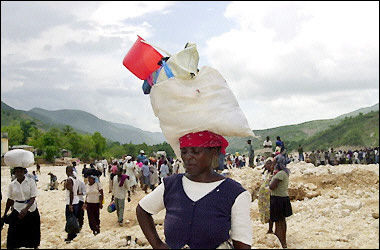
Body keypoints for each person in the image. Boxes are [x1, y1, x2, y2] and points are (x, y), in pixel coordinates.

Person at [136, 130, 252, 249]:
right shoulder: (171, 185)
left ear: (215, 152)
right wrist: (158, 245)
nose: (188, 157)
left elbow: (242, 244)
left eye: (195, 152)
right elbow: (142, 210)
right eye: (184, 152)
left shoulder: (235, 193)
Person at [2, 166, 41, 249]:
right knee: (13, 232)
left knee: (33, 230)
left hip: (31, 208)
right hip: (17, 208)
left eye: (21, 171)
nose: (19, 173)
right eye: (17, 171)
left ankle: (34, 246)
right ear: (14, 173)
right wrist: (5, 213)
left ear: (24, 172)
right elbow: (10, 200)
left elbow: (33, 197)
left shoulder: (30, 182)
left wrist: (25, 210)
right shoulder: (12, 185)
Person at [269, 147, 292, 249]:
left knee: (278, 222)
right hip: (283, 199)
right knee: (282, 221)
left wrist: (270, 182)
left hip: (278, 199)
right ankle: (283, 242)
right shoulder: (284, 172)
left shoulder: (280, 174)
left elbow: (272, 186)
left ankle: (282, 243)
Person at [258, 158, 274, 234]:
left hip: (270, 196)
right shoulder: (267, 173)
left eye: (269, 164)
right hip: (264, 197)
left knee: (271, 212)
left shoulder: (274, 173)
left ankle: (271, 229)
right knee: (267, 212)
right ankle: (270, 228)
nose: (267, 166)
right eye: (267, 164)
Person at [64, 166, 80, 243]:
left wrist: (70, 204)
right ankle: (73, 235)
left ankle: (70, 237)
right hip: (76, 201)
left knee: (69, 220)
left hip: (71, 202)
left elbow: (71, 192)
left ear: (67, 171)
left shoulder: (69, 180)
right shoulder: (76, 178)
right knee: (74, 219)